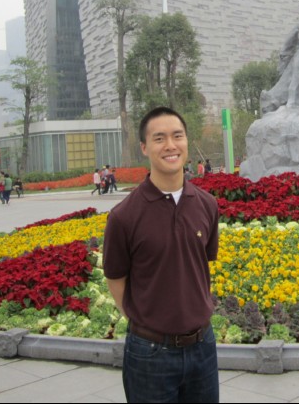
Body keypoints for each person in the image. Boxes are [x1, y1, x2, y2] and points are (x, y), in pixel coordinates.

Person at [103, 107, 220, 403]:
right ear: (144, 147)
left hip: (203, 347)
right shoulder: (124, 216)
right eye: (159, 138)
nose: (170, 145)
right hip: (149, 354)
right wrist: (144, 322)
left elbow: (202, 263)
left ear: (185, 141)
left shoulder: (206, 205)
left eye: (177, 136)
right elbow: (116, 278)